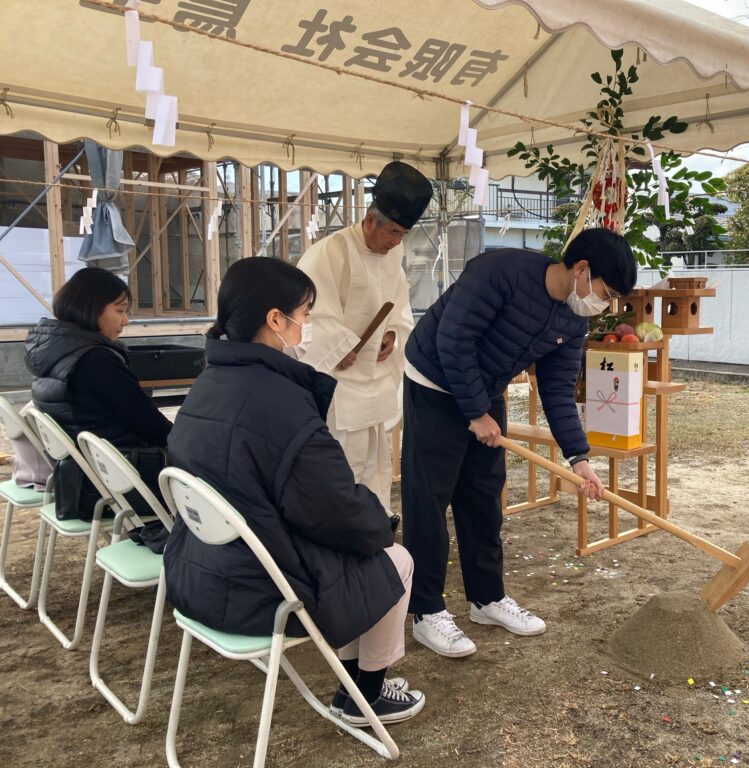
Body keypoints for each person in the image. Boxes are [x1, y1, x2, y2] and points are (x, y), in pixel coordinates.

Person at [163, 257, 424, 725]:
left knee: (354, 549)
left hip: (197, 571)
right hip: (260, 589)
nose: (307, 326)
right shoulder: (281, 402)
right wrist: (381, 527)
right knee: (394, 559)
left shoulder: (208, 382)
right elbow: (335, 507)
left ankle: (351, 687)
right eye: (304, 315)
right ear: (275, 320)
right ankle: (366, 695)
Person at [402, 227, 638, 657]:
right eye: (606, 292)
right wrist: (476, 413)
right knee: (429, 499)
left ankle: (486, 599)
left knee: (483, 496)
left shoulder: (573, 318)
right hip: (434, 380)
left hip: (485, 388)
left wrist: (578, 457)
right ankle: (426, 610)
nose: (605, 304)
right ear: (582, 269)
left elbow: (557, 389)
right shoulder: (500, 272)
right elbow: (453, 339)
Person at [296, 161, 430, 513]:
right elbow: (309, 315)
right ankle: (343, 531)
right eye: (393, 232)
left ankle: (376, 525)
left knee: (376, 467)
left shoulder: (393, 252)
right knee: (342, 468)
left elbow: (398, 304)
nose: (396, 242)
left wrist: (392, 334)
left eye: (403, 235)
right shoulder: (331, 251)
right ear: (371, 220)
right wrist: (337, 346)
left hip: (375, 379)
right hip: (339, 384)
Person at [24, 267, 171, 520]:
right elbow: (152, 426)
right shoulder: (94, 361)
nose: (125, 321)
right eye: (120, 311)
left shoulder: (54, 352)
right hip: (121, 483)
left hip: (85, 479)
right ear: (90, 309)